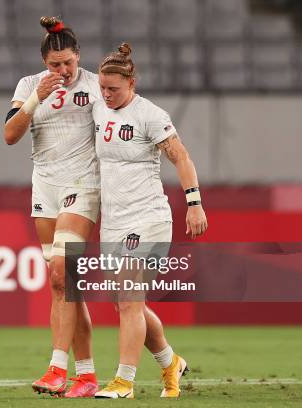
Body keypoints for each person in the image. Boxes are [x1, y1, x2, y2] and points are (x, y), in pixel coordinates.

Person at [91, 43, 208, 399]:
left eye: (114, 88)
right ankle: (170, 362)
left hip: (148, 217)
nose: (107, 95)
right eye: (103, 88)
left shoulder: (150, 115)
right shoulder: (98, 108)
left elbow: (181, 157)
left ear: (132, 83)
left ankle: (124, 381)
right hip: (112, 221)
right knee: (129, 304)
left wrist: (194, 203)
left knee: (128, 299)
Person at [3, 16, 101, 398]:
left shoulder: (94, 86)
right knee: (63, 285)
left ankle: (57, 368)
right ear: (45, 63)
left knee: (63, 271)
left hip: (84, 185)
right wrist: (35, 98)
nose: (62, 71)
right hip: (45, 187)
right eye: (54, 66)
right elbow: (10, 136)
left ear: (78, 56)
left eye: (68, 64)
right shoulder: (29, 86)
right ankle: (87, 376)